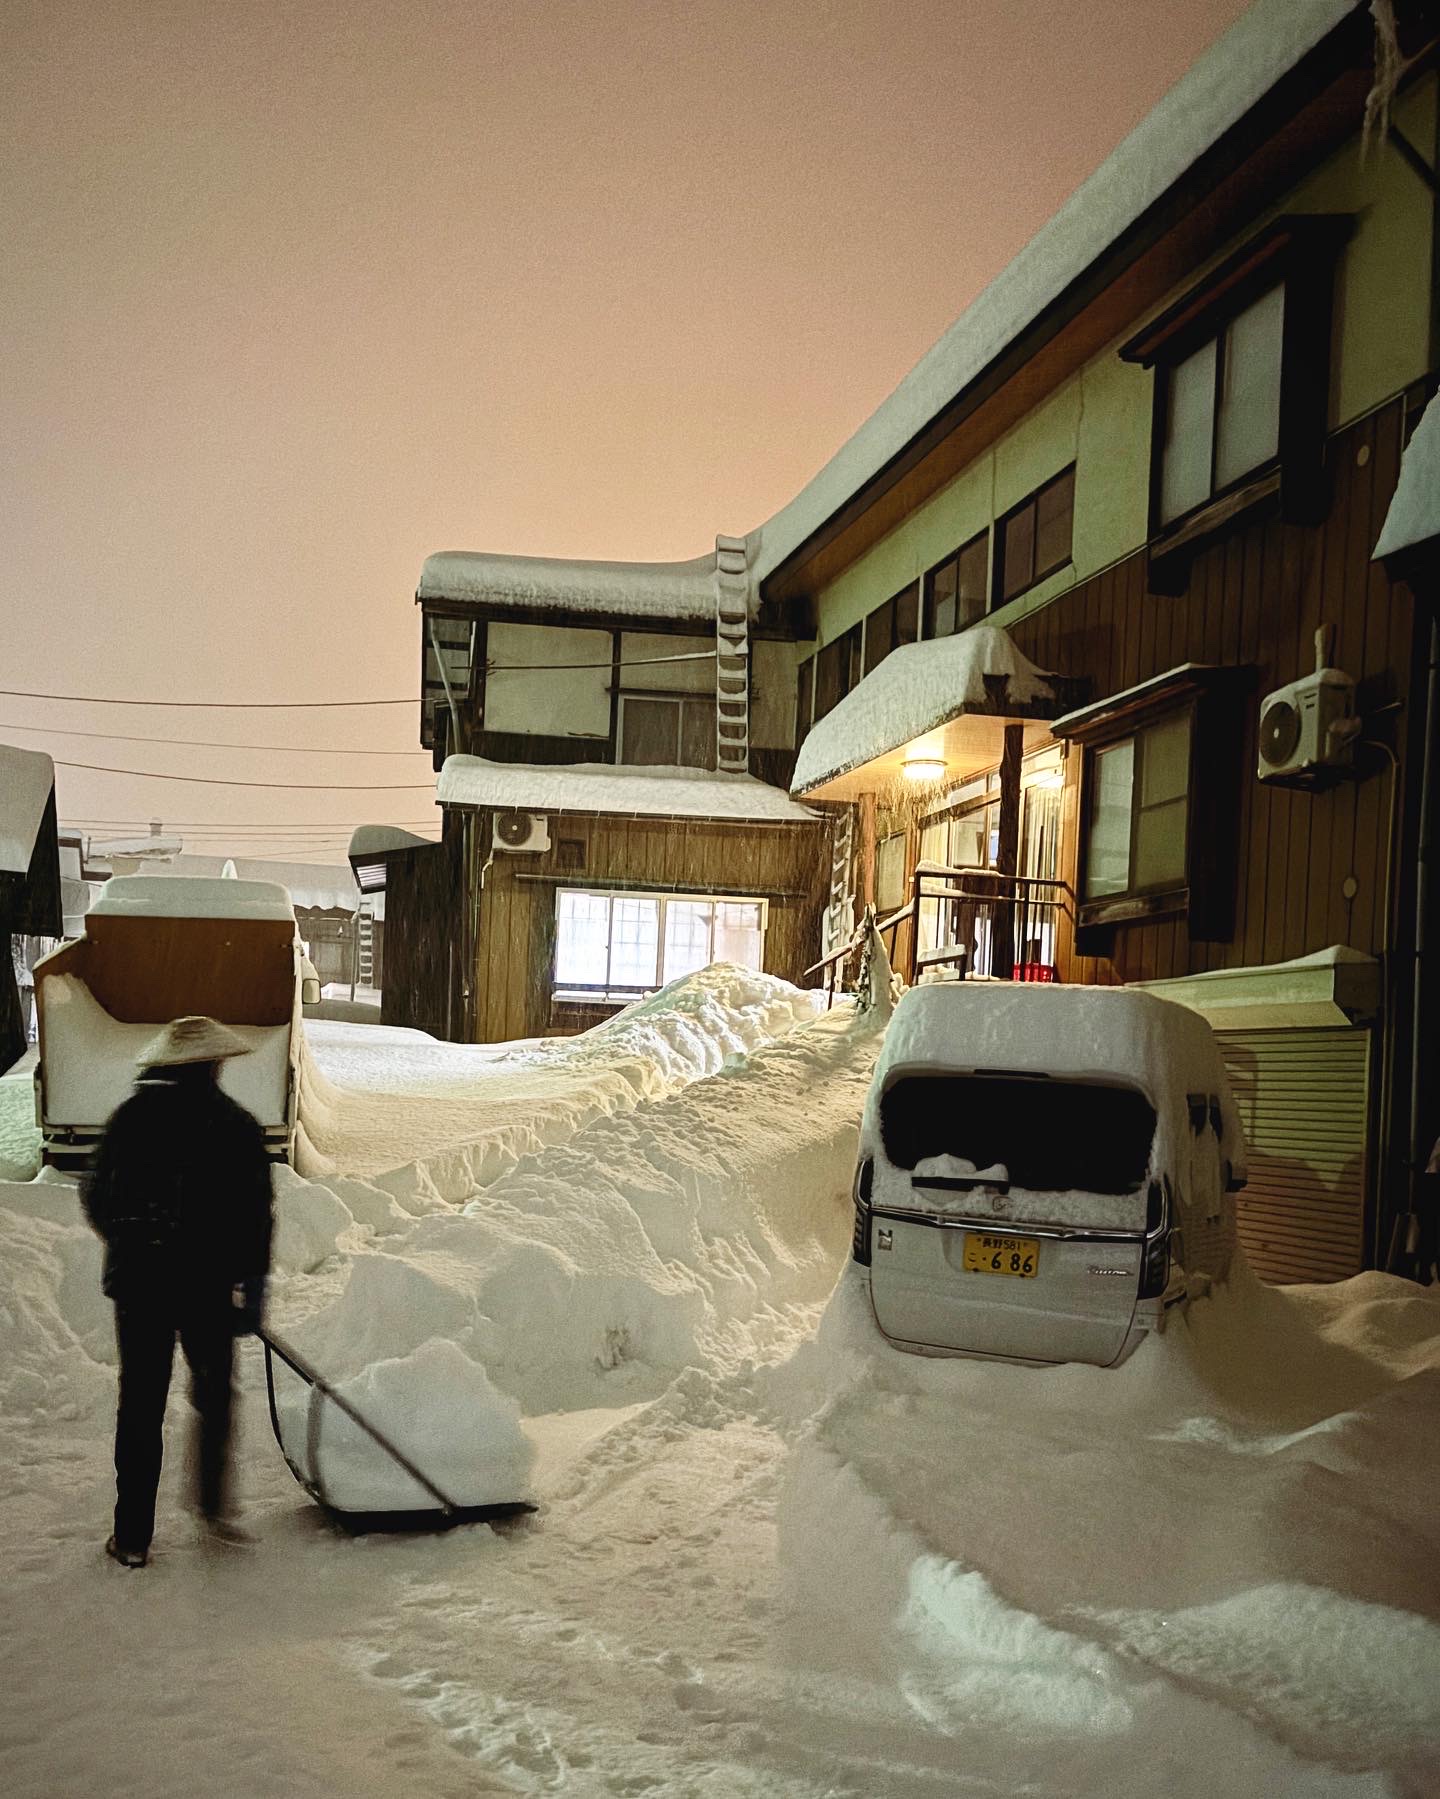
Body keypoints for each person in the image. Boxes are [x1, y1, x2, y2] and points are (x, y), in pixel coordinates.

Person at [81, 1015, 274, 1568]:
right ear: (213, 1065)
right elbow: (256, 1217)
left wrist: (133, 1239)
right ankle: (214, 1510)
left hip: (140, 1289)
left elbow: (97, 1197)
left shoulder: (129, 1121)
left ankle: (133, 1536)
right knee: (213, 1396)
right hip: (207, 1290)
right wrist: (250, 1284)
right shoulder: (234, 1125)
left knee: (141, 1402)